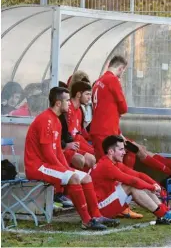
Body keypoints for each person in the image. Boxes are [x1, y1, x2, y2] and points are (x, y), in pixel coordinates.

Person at [89, 55, 171, 218]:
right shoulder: (112, 80)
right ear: (121, 69)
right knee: (129, 165)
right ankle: (168, 175)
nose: (121, 152)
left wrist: (152, 184)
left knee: (134, 153)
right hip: (107, 131)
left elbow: (136, 177)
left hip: (102, 131)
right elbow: (123, 107)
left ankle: (168, 185)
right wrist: (153, 186)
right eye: (123, 71)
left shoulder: (97, 82)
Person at [23, 86, 119, 230]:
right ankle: (86, 221)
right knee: (73, 177)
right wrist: (65, 171)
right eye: (67, 100)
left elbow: (58, 152)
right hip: (37, 167)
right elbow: (48, 154)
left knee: (86, 177)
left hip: (47, 165)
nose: (69, 103)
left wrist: (66, 169)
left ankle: (96, 215)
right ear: (58, 103)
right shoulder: (46, 120)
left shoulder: (56, 120)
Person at [90, 135, 171, 223]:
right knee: (132, 186)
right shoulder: (107, 165)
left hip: (104, 204)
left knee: (141, 184)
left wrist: (155, 185)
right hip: (99, 209)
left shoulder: (113, 163)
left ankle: (165, 211)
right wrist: (152, 188)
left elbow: (139, 175)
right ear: (111, 151)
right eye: (121, 149)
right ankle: (163, 214)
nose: (124, 152)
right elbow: (132, 181)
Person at [60, 81, 96, 172]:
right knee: (90, 158)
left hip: (77, 140)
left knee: (96, 153)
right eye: (87, 94)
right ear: (79, 94)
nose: (89, 97)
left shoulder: (79, 110)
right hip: (68, 144)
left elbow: (79, 132)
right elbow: (65, 134)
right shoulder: (67, 109)